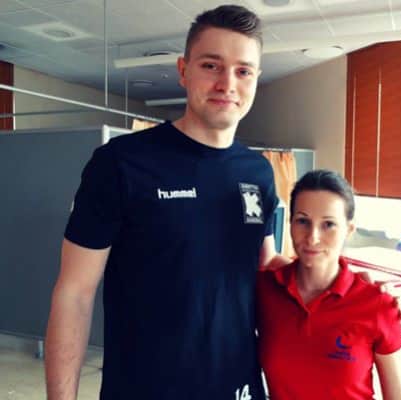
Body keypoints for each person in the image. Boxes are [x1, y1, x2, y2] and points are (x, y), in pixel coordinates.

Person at [45, 5, 288, 400]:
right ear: (183, 70)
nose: (227, 83)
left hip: (239, 388)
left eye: (243, 71)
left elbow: (265, 267)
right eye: (211, 65)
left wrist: (339, 281)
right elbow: (74, 294)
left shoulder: (259, 172)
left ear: (256, 79)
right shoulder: (121, 163)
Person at [256, 169, 401, 400]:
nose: (313, 237)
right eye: (303, 221)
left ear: (349, 230)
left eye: (328, 224)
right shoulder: (265, 291)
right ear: (290, 224)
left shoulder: (377, 304)